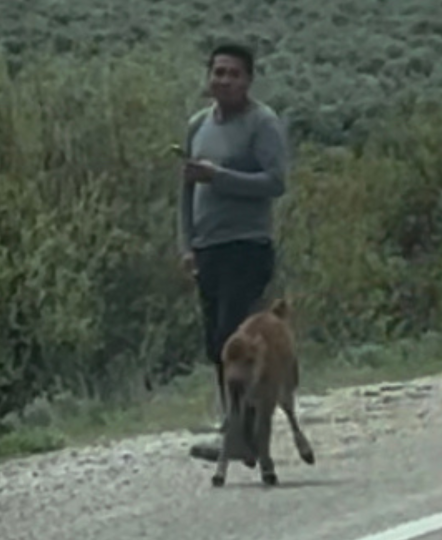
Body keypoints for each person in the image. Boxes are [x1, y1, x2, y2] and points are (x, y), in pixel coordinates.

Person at [176, 44, 291, 463]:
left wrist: (218, 176)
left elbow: (275, 182)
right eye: (218, 72)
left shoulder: (262, 123)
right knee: (217, 346)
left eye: (234, 74)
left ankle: (243, 435)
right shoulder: (197, 126)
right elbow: (186, 191)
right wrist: (186, 244)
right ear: (208, 76)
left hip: (248, 246)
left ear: (248, 80)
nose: (224, 80)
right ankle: (237, 432)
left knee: (237, 339)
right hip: (209, 250)